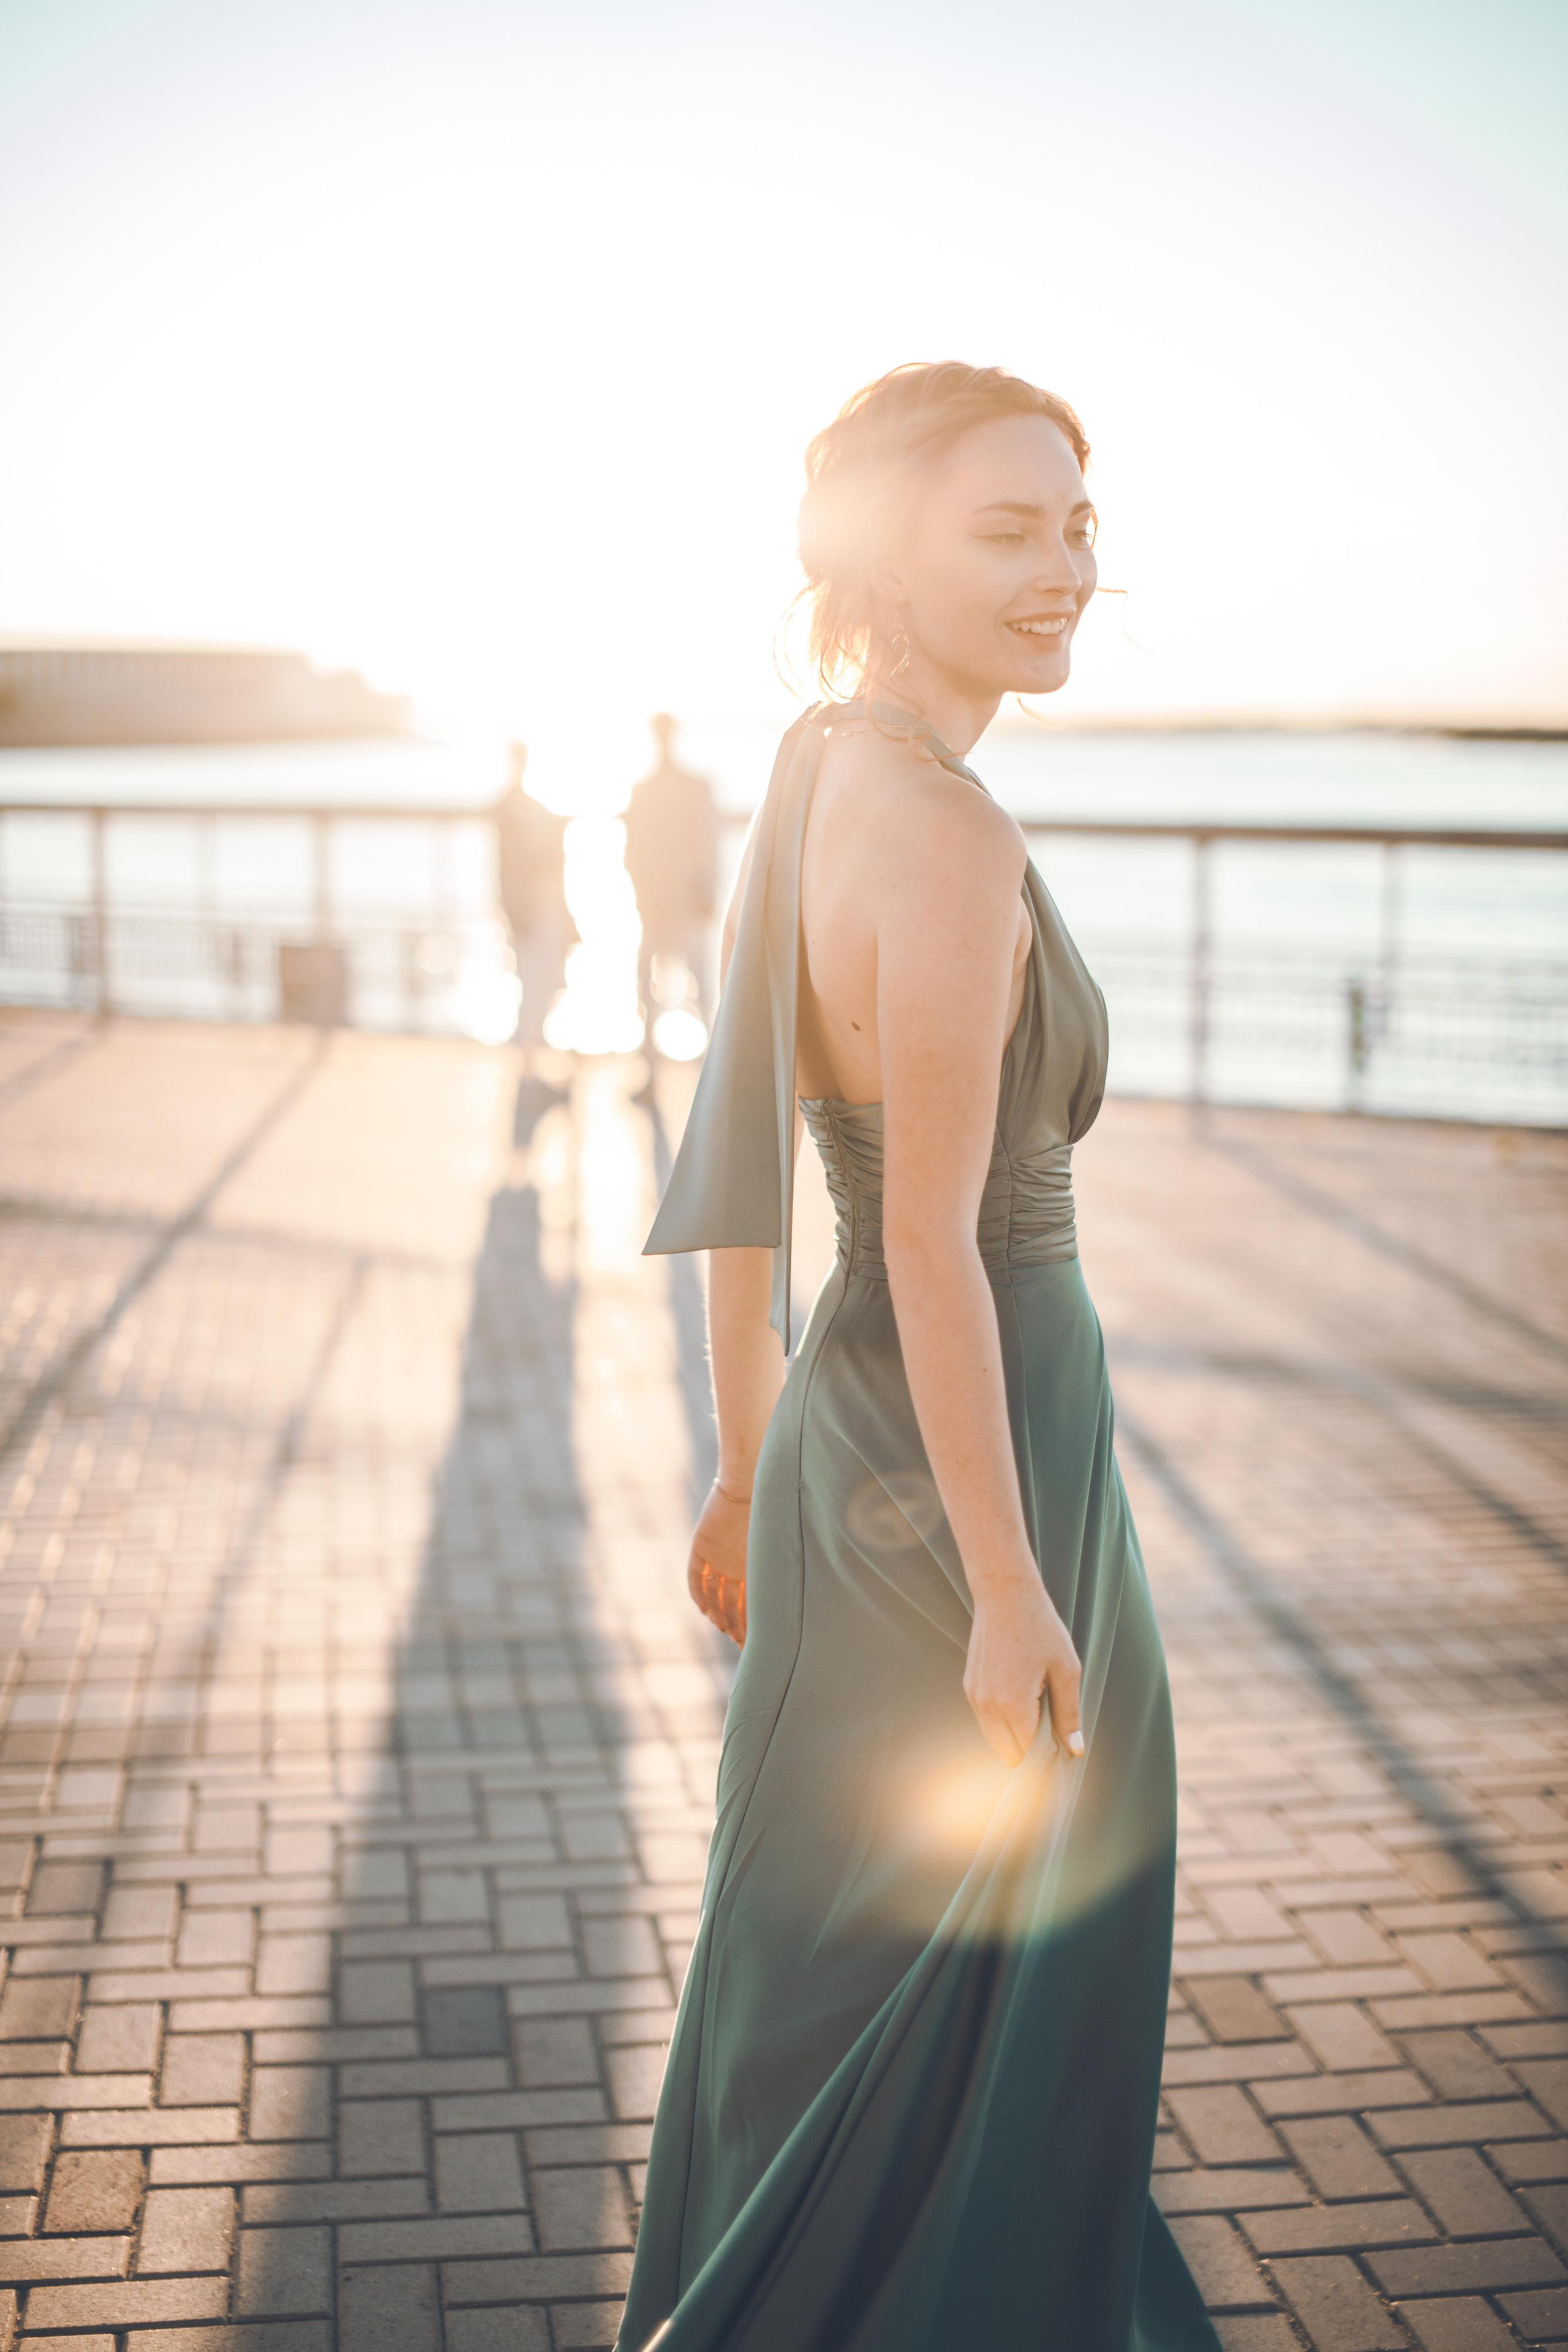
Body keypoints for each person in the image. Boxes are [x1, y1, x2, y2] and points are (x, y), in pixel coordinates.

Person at [618, 366, 1221, 2351]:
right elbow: (943, 1245)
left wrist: (740, 1455)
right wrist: (1014, 1580)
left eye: (1078, 523)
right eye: (1007, 528)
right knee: (1010, 1999)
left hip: (847, 1446)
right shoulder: (945, 832)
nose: (1067, 570)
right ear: (883, 554)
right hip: (986, 1466)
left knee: (834, 1991)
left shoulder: (815, 766)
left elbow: (742, 1152)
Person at [623, 712, 719, 1065]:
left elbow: (707, 844)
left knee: (699, 983)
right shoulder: (651, 789)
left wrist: (705, 893)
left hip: (682, 904)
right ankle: (651, 1058)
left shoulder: (687, 787)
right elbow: (634, 851)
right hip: (658, 905)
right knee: (651, 981)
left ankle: (709, 1058)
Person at [492, 742, 576, 1052]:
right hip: (529, 906)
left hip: (546, 904)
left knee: (548, 980)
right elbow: (510, 864)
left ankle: (534, 1058)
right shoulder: (509, 807)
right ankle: (529, 1064)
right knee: (532, 981)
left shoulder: (528, 806)